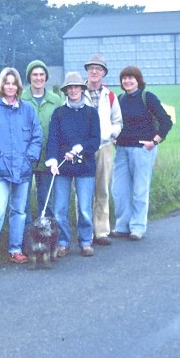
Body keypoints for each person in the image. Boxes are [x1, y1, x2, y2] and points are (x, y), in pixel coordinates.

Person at [0, 67, 43, 273]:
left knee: (19, 211)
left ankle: (15, 250)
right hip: (0, 171)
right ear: (1, 85)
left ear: (19, 86)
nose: (10, 86)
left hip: (23, 170)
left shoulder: (27, 109)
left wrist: (29, 159)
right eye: (7, 82)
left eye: (14, 83)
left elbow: (36, 137)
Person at [110, 65, 172, 241]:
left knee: (139, 191)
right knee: (119, 191)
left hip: (143, 150)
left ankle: (137, 227)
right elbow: (115, 121)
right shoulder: (120, 99)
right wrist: (114, 137)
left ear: (138, 80)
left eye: (131, 78)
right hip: (121, 150)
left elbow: (166, 121)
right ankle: (122, 226)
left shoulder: (148, 98)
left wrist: (154, 141)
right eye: (124, 78)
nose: (127, 81)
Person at [45, 72, 102, 257]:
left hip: (85, 167)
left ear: (82, 89)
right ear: (65, 91)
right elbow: (53, 139)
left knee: (84, 208)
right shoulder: (59, 113)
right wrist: (53, 160)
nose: (73, 90)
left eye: (76, 87)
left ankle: (86, 241)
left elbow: (95, 141)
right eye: (70, 87)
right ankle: (63, 242)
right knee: (60, 208)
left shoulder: (91, 113)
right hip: (62, 168)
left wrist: (79, 148)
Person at [81, 53, 122, 246]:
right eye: (91, 68)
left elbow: (118, 122)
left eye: (98, 69)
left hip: (105, 147)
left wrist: (109, 133)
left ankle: (102, 231)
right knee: (83, 191)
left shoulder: (110, 95)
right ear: (87, 71)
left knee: (102, 189)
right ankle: (85, 232)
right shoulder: (77, 92)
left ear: (104, 73)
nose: (94, 71)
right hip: (83, 150)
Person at [21, 59, 62, 219]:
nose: (38, 78)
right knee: (22, 202)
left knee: (46, 202)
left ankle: (46, 237)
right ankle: (27, 236)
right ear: (29, 77)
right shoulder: (21, 98)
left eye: (42, 74)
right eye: (34, 74)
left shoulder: (56, 100)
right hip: (25, 156)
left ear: (46, 77)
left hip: (47, 156)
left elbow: (60, 128)